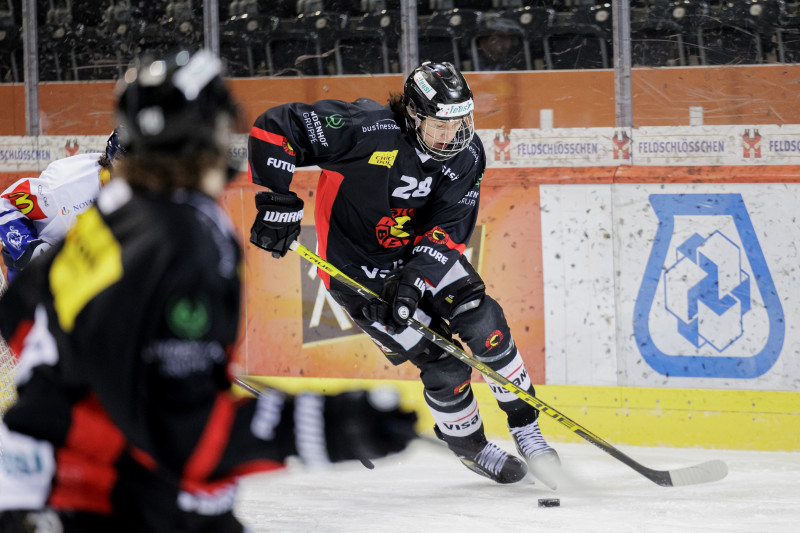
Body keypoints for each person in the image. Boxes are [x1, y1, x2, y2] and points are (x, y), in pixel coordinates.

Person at [0, 49, 416, 533]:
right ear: (209, 135)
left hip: (54, 479)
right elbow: (188, 438)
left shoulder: (115, 209)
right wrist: (328, 426)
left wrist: (103, 371)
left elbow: (19, 312)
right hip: (90, 497)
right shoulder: (187, 240)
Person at [248, 60, 560, 486]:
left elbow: (449, 228)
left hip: (419, 257)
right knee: (444, 364)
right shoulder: (364, 128)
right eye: (440, 126)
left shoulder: (467, 154)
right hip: (359, 275)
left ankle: (527, 429)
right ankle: (470, 447)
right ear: (413, 115)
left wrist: (415, 280)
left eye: (460, 122)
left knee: (485, 323)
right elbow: (277, 127)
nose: (453, 136)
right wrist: (276, 199)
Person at [0, 129, 126, 283]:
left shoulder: (146, 191)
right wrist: (28, 250)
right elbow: (7, 203)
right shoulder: (65, 185)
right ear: (113, 158)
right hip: (40, 280)